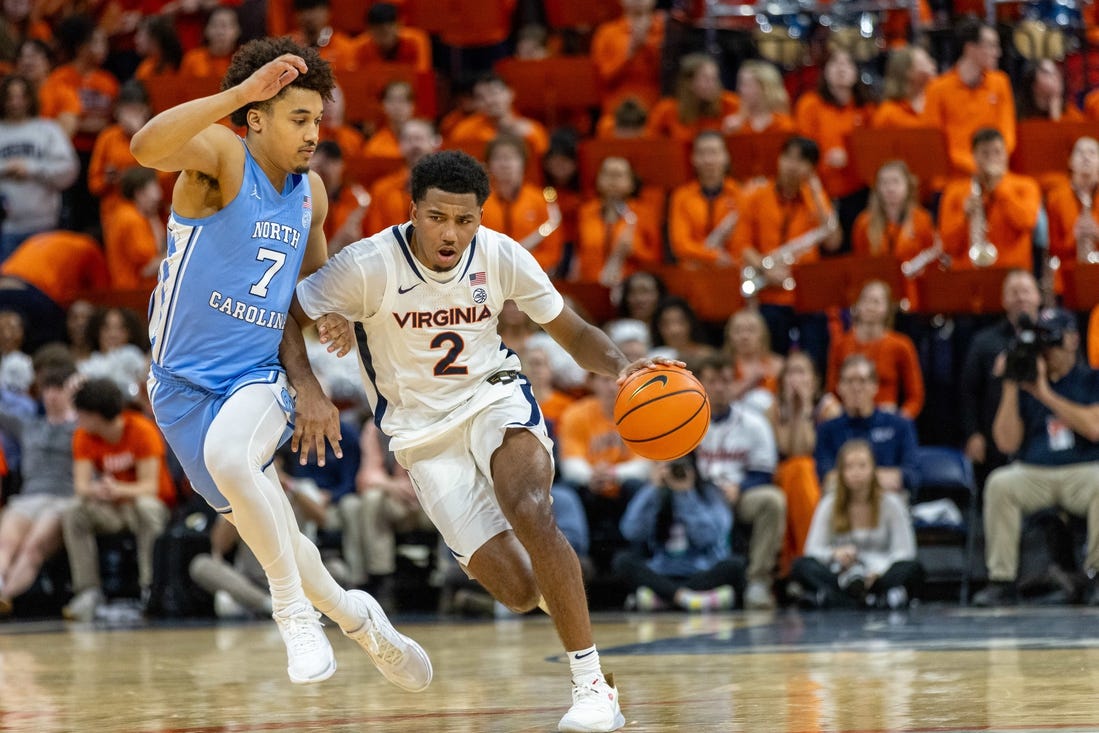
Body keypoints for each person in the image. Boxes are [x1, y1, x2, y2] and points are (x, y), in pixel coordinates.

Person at [288, 149, 674, 731]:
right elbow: (287, 314)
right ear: (413, 210)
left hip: (493, 396)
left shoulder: (500, 255)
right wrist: (309, 385)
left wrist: (623, 368)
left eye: (465, 220)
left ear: (481, 217)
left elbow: (571, 330)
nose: (451, 233)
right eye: (438, 217)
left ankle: (591, 685)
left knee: (531, 509)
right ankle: (569, 613)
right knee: (519, 591)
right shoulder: (367, 264)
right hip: (419, 435)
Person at [129, 37, 431, 689]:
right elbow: (144, 147)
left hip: (255, 378)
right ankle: (359, 620)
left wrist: (335, 318)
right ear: (259, 116)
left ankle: (290, 612)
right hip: (179, 389)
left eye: (319, 119)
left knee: (235, 461)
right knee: (284, 540)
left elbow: (310, 289)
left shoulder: (311, 194)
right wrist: (236, 95)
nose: (313, 134)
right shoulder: (219, 159)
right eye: (300, 118)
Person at [973, 308, 1099, 607]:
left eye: (1053, 341)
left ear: (1072, 340)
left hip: (1082, 471)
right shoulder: (1025, 383)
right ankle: (1001, 581)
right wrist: (1010, 386)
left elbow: (1095, 429)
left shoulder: (1090, 379)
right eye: (1042, 343)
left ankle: (1096, 574)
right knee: (1000, 483)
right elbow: (1006, 442)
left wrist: (1045, 394)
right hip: (1035, 471)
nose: (1047, 350)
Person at [60, 377, 173, 622]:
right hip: (114, 509)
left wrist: (117, 489)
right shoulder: (84, 436)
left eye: (81, 414)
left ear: (95, 415)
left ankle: (149, 587)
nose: (78, 420)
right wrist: (98, 490)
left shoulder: (142, 430)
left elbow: (150, 488)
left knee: (145, 507)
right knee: (74, 511)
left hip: (150, 507)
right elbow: (81, 487)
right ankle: (88, 591)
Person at [732, 136, 841, 368]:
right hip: (770, 292)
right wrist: (766, 267)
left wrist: (816, 191)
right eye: (788, 157)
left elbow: (832, 241)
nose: (792, 165)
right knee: (771, 359)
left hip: (807, 296)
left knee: (815, 359)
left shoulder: (815, 198)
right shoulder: (757, 196)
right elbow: (742, 245)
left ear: (811, 168)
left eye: (801, 160)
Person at [694, 353, 786, 610]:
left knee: (772, 500)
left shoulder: (753, 422)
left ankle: (758, 581)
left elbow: (764, 472)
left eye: (725, 380)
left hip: (738, 494)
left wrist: (740, 487)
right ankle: (679, 576)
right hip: (697, 495)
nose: (719, 387)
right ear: (699, 383)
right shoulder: (682, 422)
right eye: (711, 381)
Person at [791, 439, 922, 609]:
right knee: (801, 566)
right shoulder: (829, 504)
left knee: (913, 569)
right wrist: (834, 554)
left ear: (873, 468)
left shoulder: (891, 503)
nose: (856, 472)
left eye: (862, 466)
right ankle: (874, 600)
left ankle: (835, 600)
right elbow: (812, 549)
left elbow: (905, 552)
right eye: (849, 467)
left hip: (880, 573)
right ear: (841, 472)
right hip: (841, 574)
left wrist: (878, 572)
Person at [615, 452, 744, 612]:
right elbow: (631, 531)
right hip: (661, 571)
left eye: (680, 467)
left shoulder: (709, 493)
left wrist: (686, 495)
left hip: (700, 571)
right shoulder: (653, 492)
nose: (675, 472)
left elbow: (708, 537)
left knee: (735, 565)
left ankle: (665, 598)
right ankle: (690, 599)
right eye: (669, 467)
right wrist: (653, 488)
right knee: (622, 561)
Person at [0, 365, 77, 616]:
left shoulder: (81, 426)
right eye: (47, 389)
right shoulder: (28, 425)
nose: (52, 395)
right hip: (28, 498)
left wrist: (81, 392)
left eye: (58, 389)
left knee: (32, 548)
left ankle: (5, 596)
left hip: (62, 499)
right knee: (5, 543)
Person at [959, 269, 1042, 484]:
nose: (1021, 298)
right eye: (1014, 293)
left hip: (1045, 432)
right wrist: (973, 434)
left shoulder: (1056, 338)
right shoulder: (984, 341)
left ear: (1038, 296)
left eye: (1026, 291)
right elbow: (968, 391)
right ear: (1004, 300)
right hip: (996, 437)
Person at [768, 351, 841, 573]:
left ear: (815, 379)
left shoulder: (829, 408)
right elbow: (788, 450)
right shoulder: (773, 410)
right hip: (784, 478)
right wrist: (793, 412)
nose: (795, 379)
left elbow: (809, 450)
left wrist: (806, 409)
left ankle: (799, 561)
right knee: (796, 470)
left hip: (820, 475)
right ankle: (805, 560)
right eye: (790, 372)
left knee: (802, 469)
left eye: (801, 372)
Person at [938, 127, 1041, 273]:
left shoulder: (1026, 186)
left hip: (1012, 273)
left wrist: (998, 187)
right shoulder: (954, 192)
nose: (992, 158)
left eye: (997, 152)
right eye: (985, 153)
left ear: (1006, 154)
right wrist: (965, 217)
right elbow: (948, 246)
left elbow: (1026, 222)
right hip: (968, 272)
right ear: (974, 156)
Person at [922, 16, 1015, 177]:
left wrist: (993, 162)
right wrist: (974, 166)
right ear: (970, 48)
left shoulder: (1000, 82)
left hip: (996, 172)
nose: (998, 53)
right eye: (991, 46)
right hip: (955, 177)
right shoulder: (937, 89)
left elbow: (1008, 132)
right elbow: (933, 142)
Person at [815, 354, 920, 494]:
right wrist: (881, 477)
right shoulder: (826, 429)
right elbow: (826, 477)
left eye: (862, 381)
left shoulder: (900, 425)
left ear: (874, 386)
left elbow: (911, 475)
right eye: (849, 381)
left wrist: (852, 477)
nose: (856, 387)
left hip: (889, 498)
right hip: (841, 501)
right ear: (839, 387)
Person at [0, 72, 78, 260]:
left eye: (21, 96)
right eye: (10, 97)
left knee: (43, 286)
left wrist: (32, 168)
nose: (16, 103)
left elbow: (69, 170)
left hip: (45, 225)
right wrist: (6, 168)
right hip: (6, 228)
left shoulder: (47, 129)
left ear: (30, 98)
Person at [825, 280, 925, 420]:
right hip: (849, 418)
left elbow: (915, 397)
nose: (870, 306)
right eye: (865, 300)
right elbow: (832, 391)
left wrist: (899, 421)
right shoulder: (841, 344)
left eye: (876, 302)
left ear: (888, 308)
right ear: (857, 305)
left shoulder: (901, 345)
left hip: (886, 419)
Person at [668, 131, 740, 268]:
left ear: (726, 157)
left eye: (714, 153)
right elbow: (680, 244)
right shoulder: (681, 196)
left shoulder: (740, 194)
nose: (708, 160)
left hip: (731, 268)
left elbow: (744, 241)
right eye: (701, 154)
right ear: (693, 159)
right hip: (693, 271)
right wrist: (713, 256)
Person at [102, 166, 165, 292]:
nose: (159, 195)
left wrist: (153, 216)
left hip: (137, 291)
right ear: (139, 193)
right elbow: (148, 268)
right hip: (134, 294)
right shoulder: (130, 219)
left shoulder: (140, 214)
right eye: (154, 187)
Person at [871, 45, 937, 129]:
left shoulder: (938, 101)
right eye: (926, 62)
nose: (933, 65)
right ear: (908, 71)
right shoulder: (888, 113)